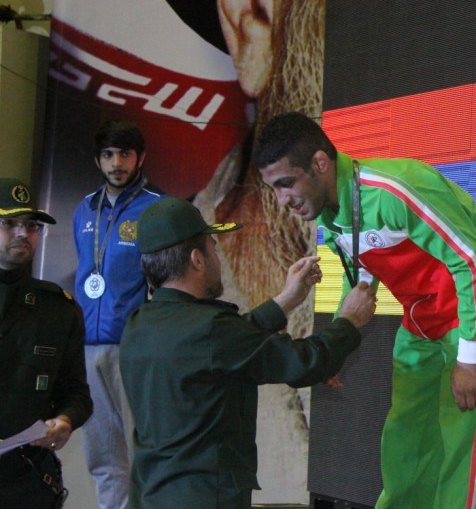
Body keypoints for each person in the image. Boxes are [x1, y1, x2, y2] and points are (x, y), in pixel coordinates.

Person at [255, 111, 476, 509]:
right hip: (421, 319)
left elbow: (471, 262)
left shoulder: (394, 191)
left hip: (473, 316)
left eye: (286, 184)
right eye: (273, 189)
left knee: (460, 448)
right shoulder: (331, 214)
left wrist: (471, 357)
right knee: (404, 440)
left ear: (320, 163)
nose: (282, 201)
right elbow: (360, 276)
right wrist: (337, 345)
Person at [119, 197, 377, 508]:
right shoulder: (210, 329)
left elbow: (225, 345)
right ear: (197, 260)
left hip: (151, 496)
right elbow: (302, 363)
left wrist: (285, 301)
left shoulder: (139, 324)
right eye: (213, 247)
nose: (218, 257)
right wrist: (349, 321)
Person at [72, 120, 163, 509]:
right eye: (108, 155)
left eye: (125, 154)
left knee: (142, 449)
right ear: (98, 160)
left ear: (140, 157)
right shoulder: (84, 209)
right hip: (87, 348)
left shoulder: (157, 208)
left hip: (134, 347)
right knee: (103, 455)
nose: (116, 163)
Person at [0, 178, 93, 507]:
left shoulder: (58, 310)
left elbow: (77, 394)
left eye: (31, 225)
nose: (23, 233)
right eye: (10, 223)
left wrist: (65, 421)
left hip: (25, 477)